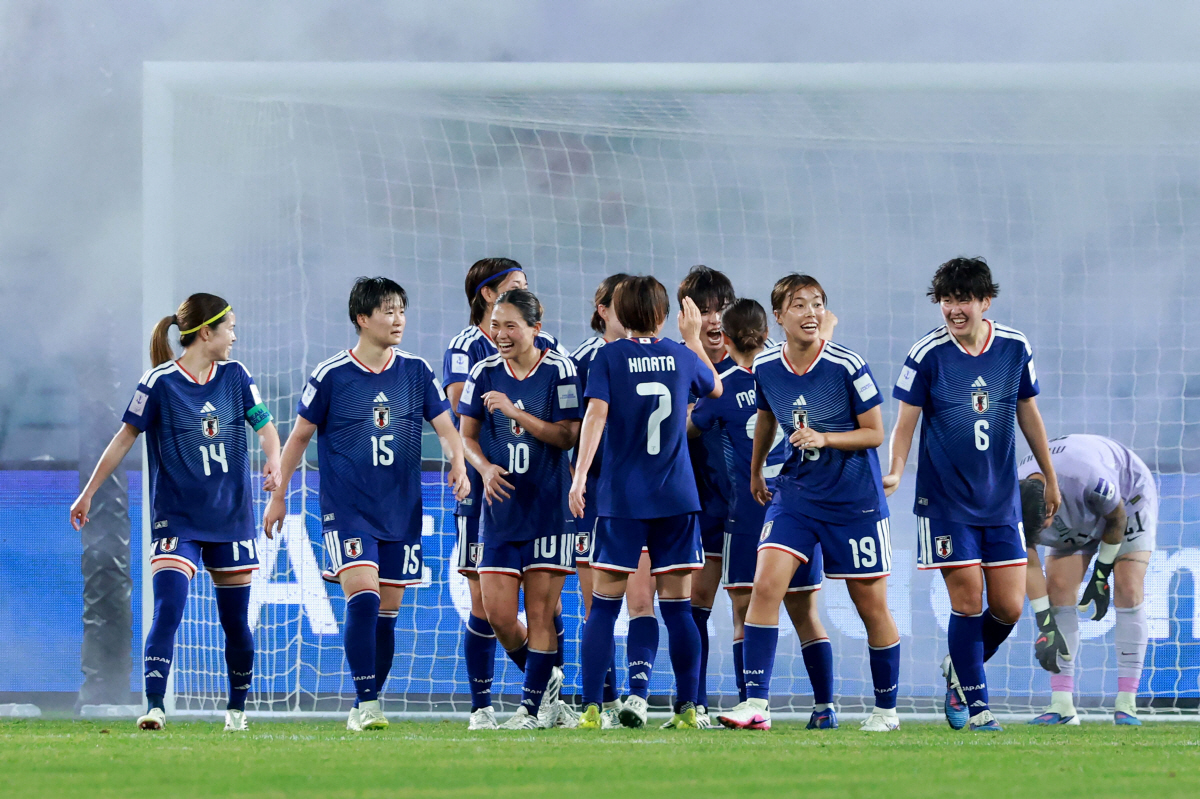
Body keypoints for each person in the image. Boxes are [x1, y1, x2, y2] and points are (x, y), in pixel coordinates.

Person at [263, 278, 468, 732]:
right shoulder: (332, 374)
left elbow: (446, 426)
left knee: (387, 616)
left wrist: (458, 463)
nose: (398, 320)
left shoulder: (415, 371)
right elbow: (299, 437)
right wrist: (279, 496)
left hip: (400, 510)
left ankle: (363, 703)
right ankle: (369, 703)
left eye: (401, 311)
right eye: (388, 311)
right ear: (362, 318)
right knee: (364, 597)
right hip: (347, 510)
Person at [70, 294, 282, 732]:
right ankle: (155, 707)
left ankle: (236, 711)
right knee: (167, 609)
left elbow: (265, 428)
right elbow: (123, 438)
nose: (234, 337)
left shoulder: (237, 376)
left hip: (230, 517)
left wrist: (274, 460)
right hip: (177, 519)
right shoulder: (159, 382)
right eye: (230, 328)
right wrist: (88, 492)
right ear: (206, 332)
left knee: (235, 623)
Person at [717, 275, 901, 733]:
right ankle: (756, 704)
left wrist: (826, 438)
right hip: (796, 494)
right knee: (765, 586)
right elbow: (765, 417)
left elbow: (875, 432)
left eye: (817, 304)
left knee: (871, 605)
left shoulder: (846, 364)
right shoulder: (767, 366)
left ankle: (886, 711)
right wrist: (757, 470)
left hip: (853, 500)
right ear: (779, 316)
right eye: (799, 305)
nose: (811, 312)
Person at [885, 257, 1060, 732]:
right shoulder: (927, 354)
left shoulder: (1014, 346)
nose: (954, 309)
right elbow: (905, 424)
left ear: (986, 301)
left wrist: (1049, 474)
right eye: (946, 300)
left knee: (1008, 607)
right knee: (967, 601)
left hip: (1000, 502)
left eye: (963, 299)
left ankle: (959, 671)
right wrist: (896, 469)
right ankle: (980, 709)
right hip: (945, 504)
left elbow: (1028, 412)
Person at [570, 275, 723, 730]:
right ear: (663, 314)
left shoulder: (608, 356)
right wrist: (692, 339)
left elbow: (595, 417)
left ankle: (592, 708)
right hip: (676, 497)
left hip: (622, 500)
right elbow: (714, 388)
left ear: (621, 312)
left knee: (603, 606)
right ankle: (688, 708)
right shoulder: (681, 354)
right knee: (678, 608)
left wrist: (579, 477)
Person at [689, 298, 837, 728]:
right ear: (768, 332)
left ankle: (752, 704)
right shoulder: (785, 376)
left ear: (727, 339)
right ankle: (825, 707)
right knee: (806, 612)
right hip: (796, 506)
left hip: (748, 513)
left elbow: (689, 428)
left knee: (744, 609)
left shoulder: (723, 388)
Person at [442, 258, 567, 730]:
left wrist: (518, 412)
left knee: (544, 609)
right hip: (489, 501)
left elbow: (567, 429)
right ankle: (511, 698)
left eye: (511, 325)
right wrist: (482, 465)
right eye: (496, 325)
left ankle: (535, 705)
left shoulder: (556, 361)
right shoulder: (475, 360)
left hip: (544, 500)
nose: (500, 333)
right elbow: (464, 423)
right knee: (492, 611)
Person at [570, 273, 660, 729]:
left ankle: (637, 697)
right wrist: (578, 478)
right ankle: (600, 703)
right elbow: (573, 425)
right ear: (603, 310)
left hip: (642, 497)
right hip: (595, 495)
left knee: (641, 599)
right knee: (597, 603)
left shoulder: (660, 356)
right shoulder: (584, 360)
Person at [1019, 434, 1155, 726]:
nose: (1044, 532)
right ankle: (1062, 706)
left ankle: (1127, 704)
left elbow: (1116, 518)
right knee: (1058, 591)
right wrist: (1045, 623)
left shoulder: (1088, 476)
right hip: (1074, 506)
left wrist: (1100, 575)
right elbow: (1027, 559)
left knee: (1128, 589)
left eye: (1044, 525)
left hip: (1127, 497)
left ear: (1051, 508)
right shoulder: (1009, 501)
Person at [672, 265, 737, 728]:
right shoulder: (672, 362)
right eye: (705, 311)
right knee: (696, 605)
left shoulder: (753, 363)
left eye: (722, 309)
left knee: (753, 606)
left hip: (752, 506)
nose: (714, 320)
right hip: (699, 504)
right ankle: (692, 704)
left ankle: (755, 703)